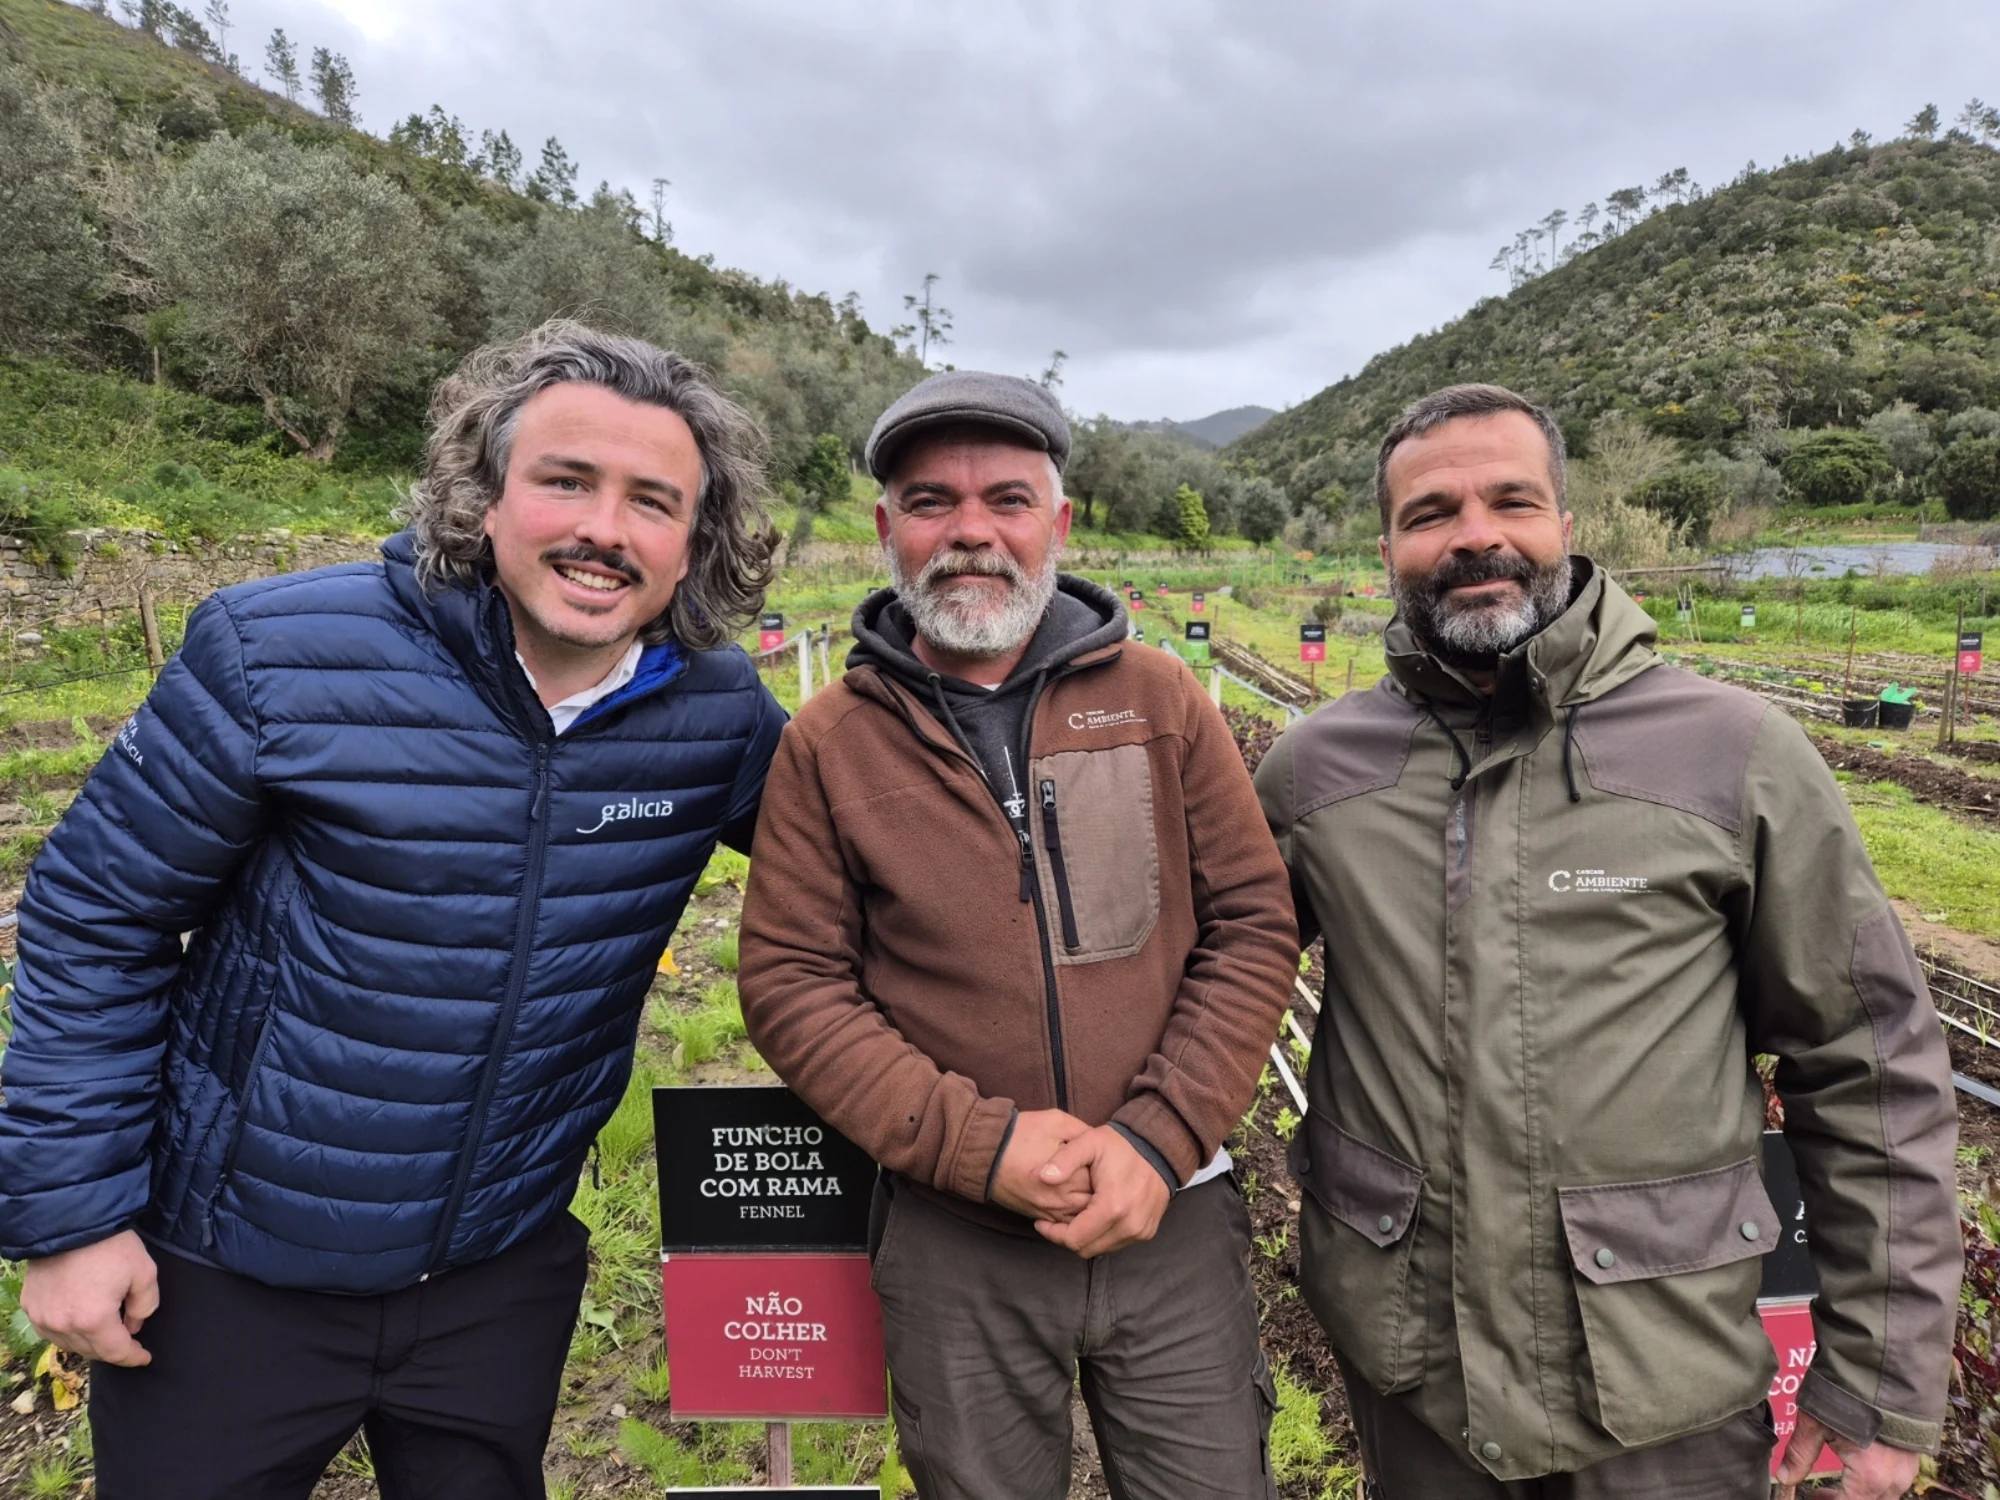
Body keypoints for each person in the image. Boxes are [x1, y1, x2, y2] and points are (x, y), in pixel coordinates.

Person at [0, 321, 788, 1499]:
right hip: (227, 1271)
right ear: (483, 495)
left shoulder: (718, 714)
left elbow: (876, 859)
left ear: (697, 540)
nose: (602, 531)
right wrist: (73, 1218)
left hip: (498, 1273)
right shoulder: (278, 655)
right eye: (565, 481)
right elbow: (92, 915)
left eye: (651, 501)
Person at [1253, 382, 1960, 1500]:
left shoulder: (1732, 754)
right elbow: (1208, 990)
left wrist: (1876, 1381)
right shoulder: (1314, 774)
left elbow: (1866, 1067)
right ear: (1387, 544)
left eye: (1510, 501)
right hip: (1413, 1379)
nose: (1474, 534)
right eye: (1430, 512)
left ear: (1565, 528)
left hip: (1661, 1386)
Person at [737, 371, 1299, 1500]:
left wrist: (1156, 1136)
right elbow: (793, 984)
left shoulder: (1159, 699)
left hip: (1171, 1219)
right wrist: (975, 1147)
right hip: (954, 1234)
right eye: (931, 502)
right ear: (887, 528)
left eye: (1005, 498)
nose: (971, 533)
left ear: (1057, 521)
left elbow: (1248, 922)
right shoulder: (829, 742)